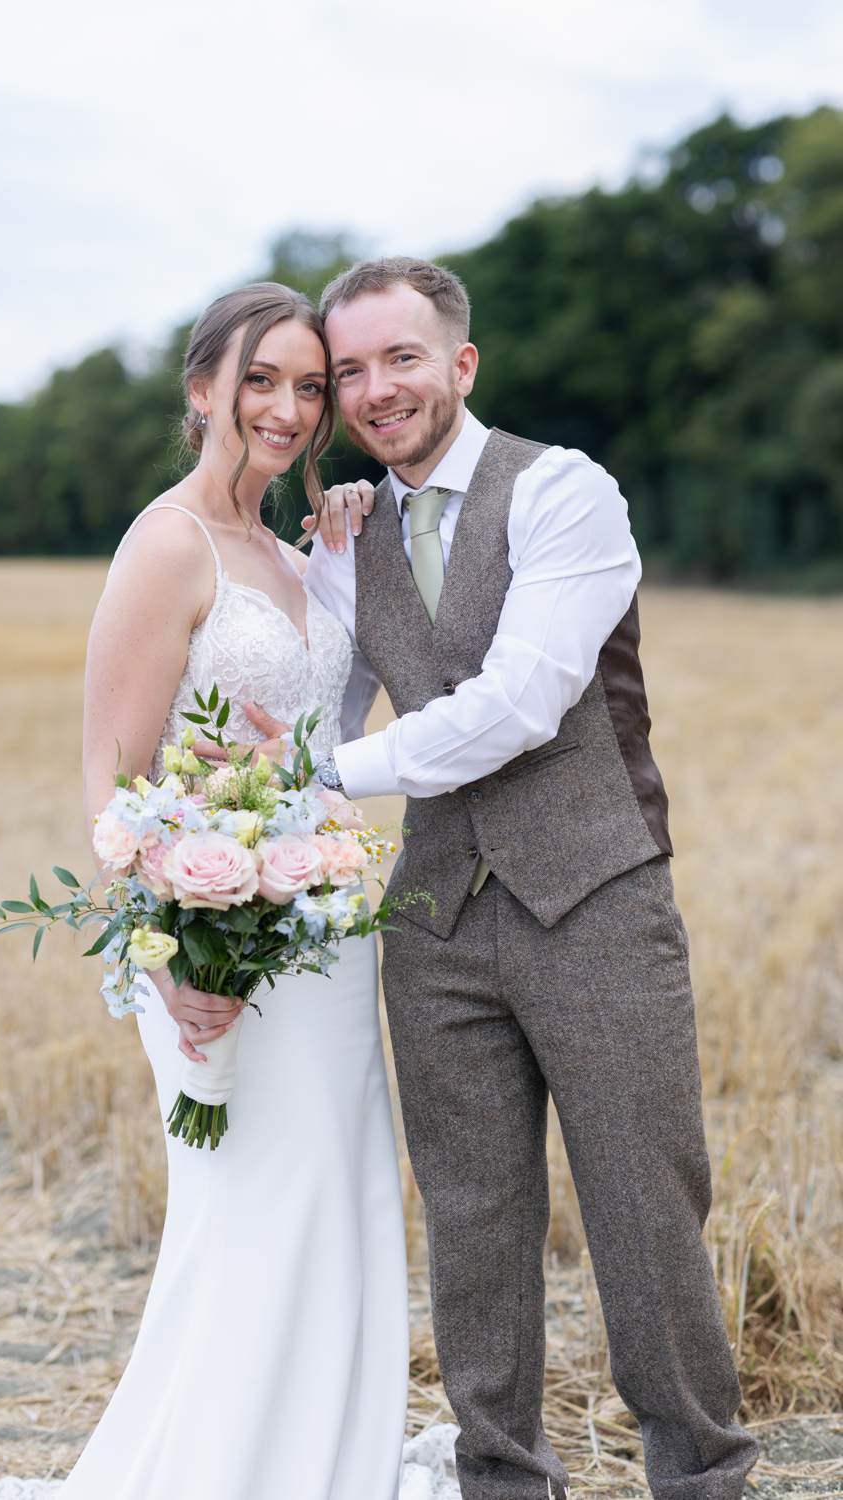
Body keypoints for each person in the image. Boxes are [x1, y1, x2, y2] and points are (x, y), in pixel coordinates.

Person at [288, 257, 758, 1500]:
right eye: (349, 372)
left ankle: (702, 1475)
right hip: (435, 916)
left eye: (401, 357)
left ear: (461, 363)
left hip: (594, 895)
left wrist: (340, 774)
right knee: (473, 1220)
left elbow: (522, 701)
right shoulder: (347, 538)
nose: (376, 390)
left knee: (644, 1212)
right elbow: (310, 702)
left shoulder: (564, 492)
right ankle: (501, 1477)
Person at [64, 283, 408, 1500]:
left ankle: (331, 1460)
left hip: (324, 926)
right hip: (216, 947)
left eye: (310, 387)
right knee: (256, 1201)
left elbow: (318, 725)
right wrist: (169, 961)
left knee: (336, 1190)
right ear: (203, 387)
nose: (288, 407)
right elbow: (113, 781)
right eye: (261, 379)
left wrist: (353, 546)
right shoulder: (169, 543)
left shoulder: (294, 547)